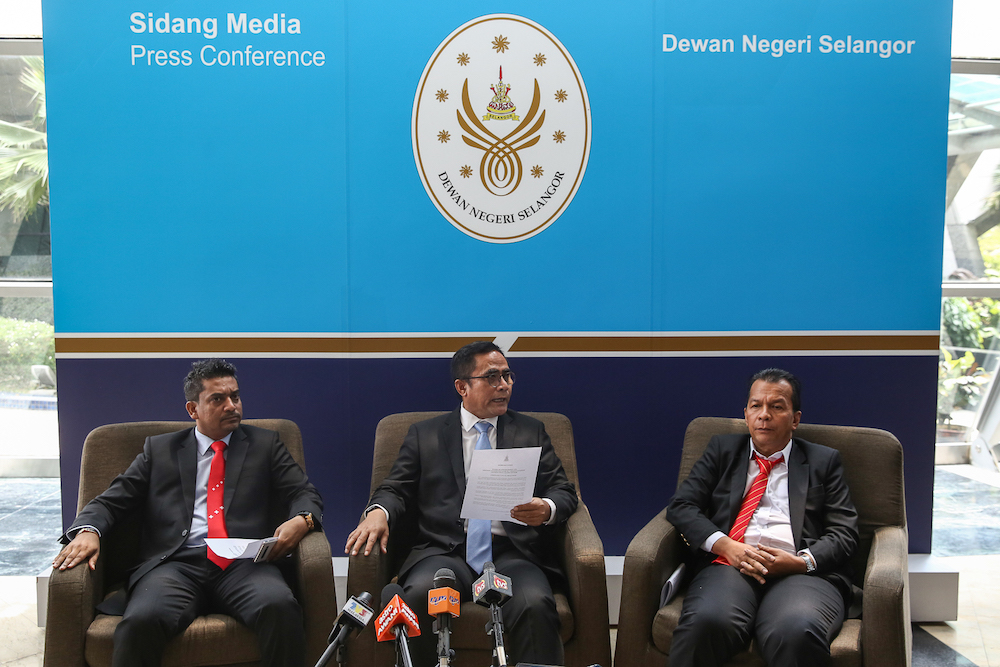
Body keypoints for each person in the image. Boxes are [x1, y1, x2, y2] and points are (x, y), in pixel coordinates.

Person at [52, 359, 323, 667]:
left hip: (245, 564)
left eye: (235, 396)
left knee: (280, 607)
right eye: (218, 399)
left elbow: (304, 492)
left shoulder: (265, 444)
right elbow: (111, 501)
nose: (232, 406)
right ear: (193, 409)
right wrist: (89, 530)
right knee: (142, 621)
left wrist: (303, 519)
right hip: (175, 565)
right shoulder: (160, 451)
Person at [345, 341, 577, 667]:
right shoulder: (424, 435)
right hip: (444, 551)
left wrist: (547, 507)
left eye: (508, 376)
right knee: (418, 598)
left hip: (511, 553)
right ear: (462, 387)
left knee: (535, 604)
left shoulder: (530, 431)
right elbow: (394, 489)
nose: (504, 385)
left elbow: (563, 490)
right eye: (492, 377)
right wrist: (377, 513)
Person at [665, 368, 859, 667]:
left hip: (800, 571)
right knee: (707, 622)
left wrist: (801, 562)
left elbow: (844, 533)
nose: (764, 415)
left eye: (776, 406)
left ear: (795, 419)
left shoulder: (824, 460)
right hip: (731, 564)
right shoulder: (722, 450)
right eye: (756, 406)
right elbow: (682, 506)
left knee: (795, 630)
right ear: (746, 414)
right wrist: (727, 546)